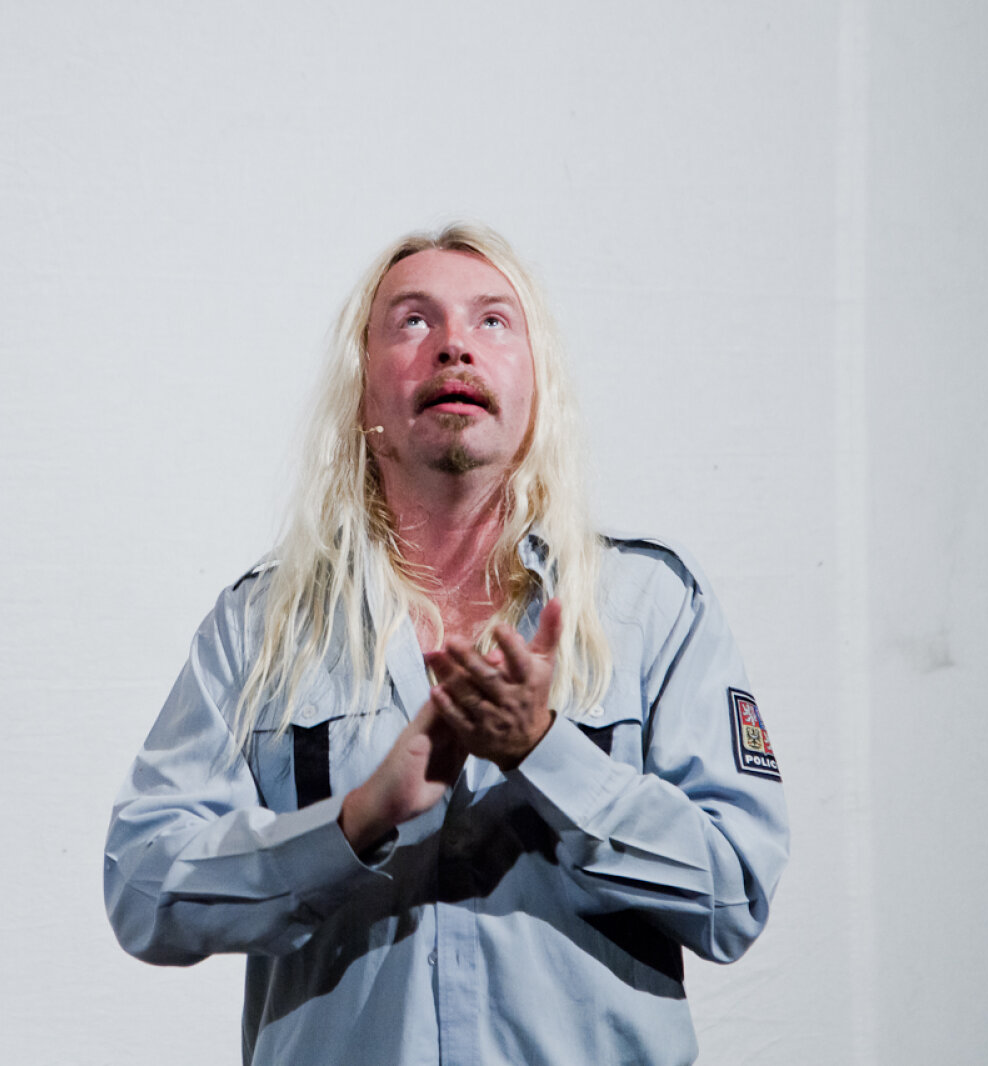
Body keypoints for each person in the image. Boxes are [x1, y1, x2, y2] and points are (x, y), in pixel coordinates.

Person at [103, 223, 788, 1065]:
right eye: (414, 321)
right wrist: (358, 821)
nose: (455, 345)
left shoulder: (652, 607)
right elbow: (143, 889)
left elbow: (734, 895)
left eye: (493, 321)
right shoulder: (260, 624)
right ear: (363, 391)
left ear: (537, 384)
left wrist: (545, 755)